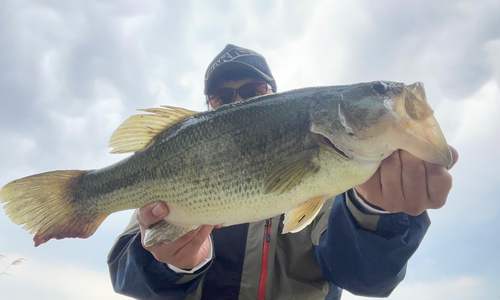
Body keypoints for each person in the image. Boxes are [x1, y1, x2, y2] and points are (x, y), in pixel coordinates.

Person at [107, 44, 459, 300]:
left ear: (274, 94)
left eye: (253, 90)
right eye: (221, 97)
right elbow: (125, 274)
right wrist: (173, 265)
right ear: (208, 106)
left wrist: (379, 215)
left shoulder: (347, 183)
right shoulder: (172, 169)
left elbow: (368, 279)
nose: (239, 101)